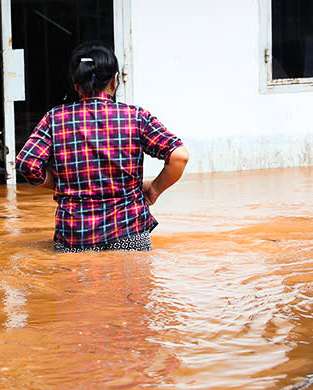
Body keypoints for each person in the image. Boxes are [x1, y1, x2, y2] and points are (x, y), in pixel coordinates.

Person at [15, 42, 189, 253]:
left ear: (75, 84)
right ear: (115, 81)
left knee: (74, 285)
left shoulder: (55, 118)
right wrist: (153, 189)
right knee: (133, 285)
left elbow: (27, 164)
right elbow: (179, 156)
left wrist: (62, 184)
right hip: (130, 232)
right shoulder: (136, 117)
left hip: (75, 237)